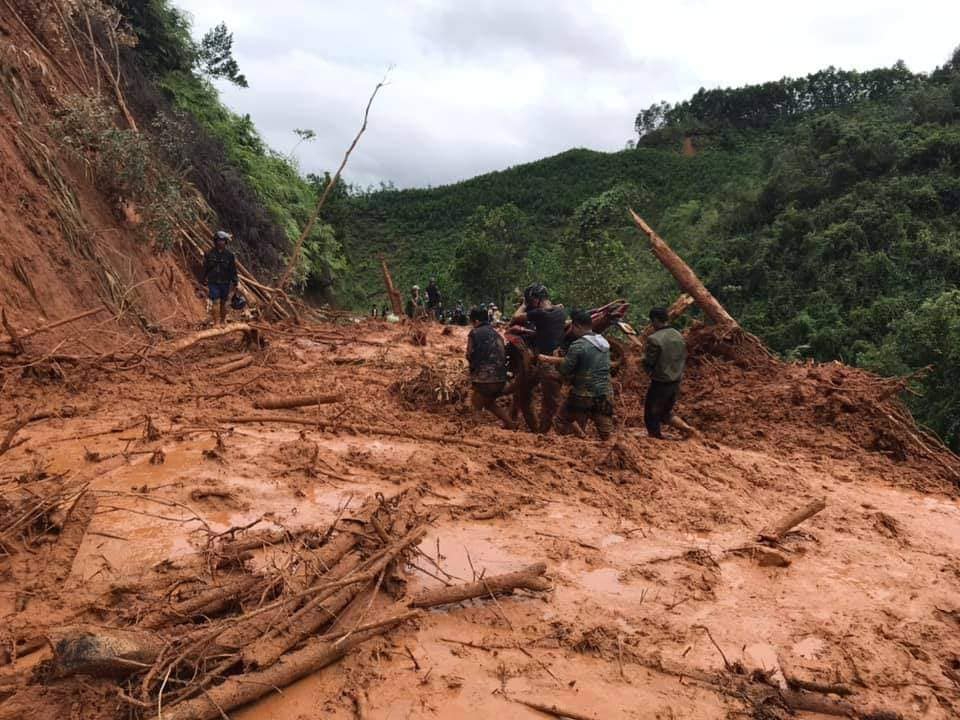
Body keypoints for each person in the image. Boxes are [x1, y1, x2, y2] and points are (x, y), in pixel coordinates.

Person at [540, 309, 614, 440]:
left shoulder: (578, 345)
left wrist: (556, 360)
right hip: (605, 393)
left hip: (583, 394)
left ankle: (579, 444)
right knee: (606, 431)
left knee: (562, 421)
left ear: (577, 326)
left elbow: (565, 370)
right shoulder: (604, 342)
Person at [512, 283, 566, 433]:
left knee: (549, 404)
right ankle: (538, 432)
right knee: (528, 394)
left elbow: (515, 317)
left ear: (536, 299)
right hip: (548, 361)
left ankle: (542, 434)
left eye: (530, 301)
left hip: (547, 363)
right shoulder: (561, 311)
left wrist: (523, 305)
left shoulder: (540, 313)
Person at [643, 307, 697, 439]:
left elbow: (649, 362)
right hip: (676, 380)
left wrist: (643, 364)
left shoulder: (654, 339)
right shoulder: (678, 335)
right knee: (665, 412)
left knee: (651, 413)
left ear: (655, 320)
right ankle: (688, 429)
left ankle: (654, 438)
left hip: (660, 382)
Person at [466, 306, 515, 429]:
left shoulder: (474, 333)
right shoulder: (497, 334)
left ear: (476, 321)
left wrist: (473, 367)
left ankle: (474, 428)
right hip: (501, 379)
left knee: (476, 401)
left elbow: (469, 354)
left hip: (484, 379)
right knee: (488, 402)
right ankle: (510, 424)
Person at [202, 230, 238, 326]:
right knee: (215, 301)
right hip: (213, 281)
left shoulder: (230, 255)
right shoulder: (209, 253)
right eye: (218, 240)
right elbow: (205, 267)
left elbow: (233, 269)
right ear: (215, 241)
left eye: (222, 240)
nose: (220, 242)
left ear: (226, 242)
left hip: (225, 282)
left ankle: (223, 320)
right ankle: (216, 323)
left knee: (224, 302)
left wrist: (235, 281)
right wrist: (204, 278)